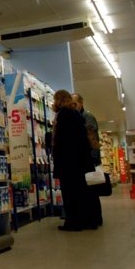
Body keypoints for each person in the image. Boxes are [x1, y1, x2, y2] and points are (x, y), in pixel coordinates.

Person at [52, 90, 96, 231]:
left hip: (69, 163)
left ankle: (73, 223)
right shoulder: (76, 114)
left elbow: (63, 141)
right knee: (82, 192)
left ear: (58, 100)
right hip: (81, 161)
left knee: (70, 193)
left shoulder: (63, 115)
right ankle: (87, 221)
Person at [72, 92, 104, 226]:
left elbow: (92, 138)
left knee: (91, 190)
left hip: (90, 158)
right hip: (83, 159)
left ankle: (95, 219)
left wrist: (94, 159)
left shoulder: (87, 117)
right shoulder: (76, 117)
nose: (73, 106)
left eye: (75, 103)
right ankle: (89, 218)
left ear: (81, 103)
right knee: (86, 190)